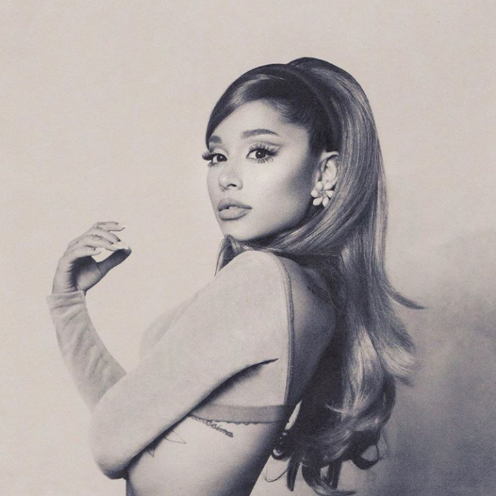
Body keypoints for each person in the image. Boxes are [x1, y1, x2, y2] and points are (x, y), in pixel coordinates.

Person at [46, 57, 417, 496]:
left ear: (325, 171)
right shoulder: (311, 291)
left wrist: (67, 310)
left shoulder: (263, 280)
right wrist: (68, 305)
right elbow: (130, 424)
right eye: (217, 156)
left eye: (260, 152)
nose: (227, 177)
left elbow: (109, 443)